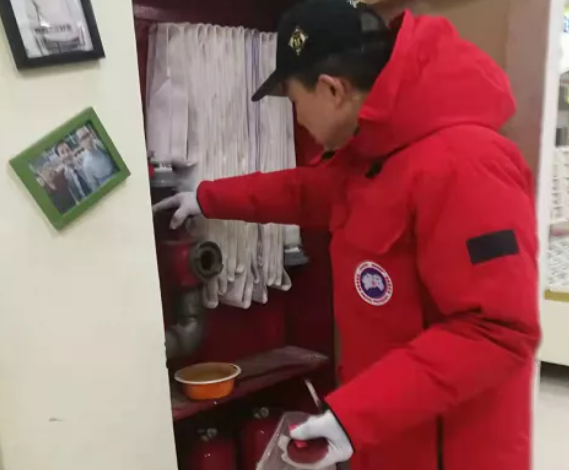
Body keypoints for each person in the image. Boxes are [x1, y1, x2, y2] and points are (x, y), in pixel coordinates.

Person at [154, 2, 540, 470]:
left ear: (332, 90)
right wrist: (206, 197)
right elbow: (303, 192)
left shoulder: (466, 164)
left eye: (295, 103)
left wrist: (354, 416)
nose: (299, 120)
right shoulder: (374, 155)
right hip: (387, 434)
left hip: (449, 453)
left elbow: (497, 333)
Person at [75, 127, 116, 192]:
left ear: (91, 134)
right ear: (80, 143)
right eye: (83, 138)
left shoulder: (100, 144)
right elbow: (94, 187)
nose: (88, 139)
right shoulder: (86, 164)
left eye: (88, 134)